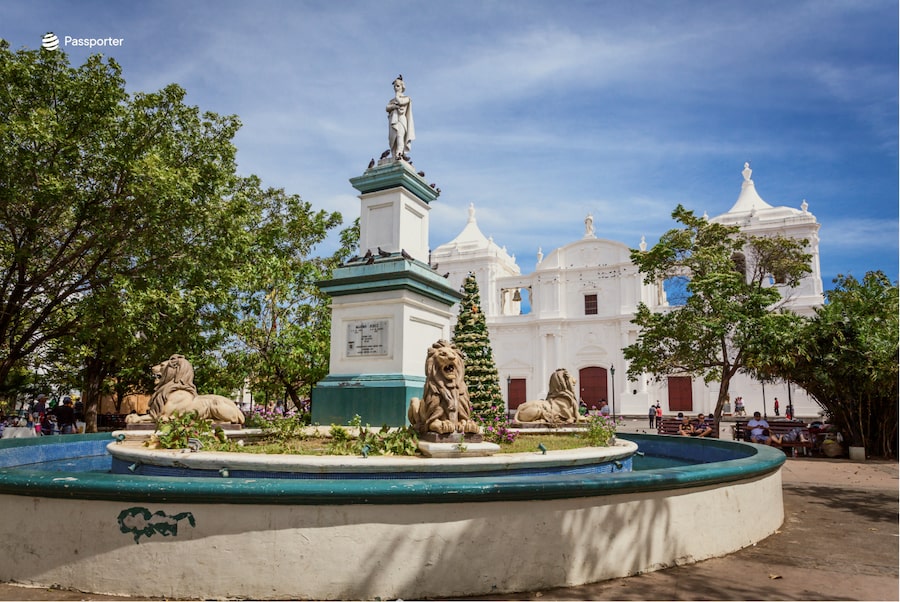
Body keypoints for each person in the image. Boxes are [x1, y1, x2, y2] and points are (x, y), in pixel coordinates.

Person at [386, 75, 414, 160]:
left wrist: (397, 96)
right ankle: (394, 155)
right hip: (392, 120)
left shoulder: (406, 98)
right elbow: (387, 108)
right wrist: (394, 107)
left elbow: (401, 102)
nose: (395, 88)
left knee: (399, 136)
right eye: (395, 86)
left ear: (402, 87)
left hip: (401, 119)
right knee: (393, 139)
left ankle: (399, 153)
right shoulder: (392, 101)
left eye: (397, 86)